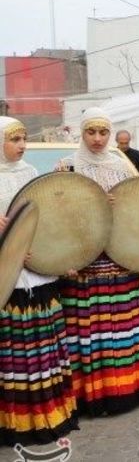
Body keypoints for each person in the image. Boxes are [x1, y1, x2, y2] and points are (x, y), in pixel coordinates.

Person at [58, 107, 139, 415]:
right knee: (87, 330)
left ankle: (126, 390)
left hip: (118, 258)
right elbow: (58, 218)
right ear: (82, 134)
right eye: (91, 132)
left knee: (121, 327)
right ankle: (92, 396)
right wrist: (91, 204)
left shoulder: (122, 166)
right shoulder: (67, 167)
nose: (98, 139)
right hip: (84, 260)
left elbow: (137, 209)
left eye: (103, 133)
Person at [0, 117, 78, 445]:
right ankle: (17, 422)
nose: (21, 145)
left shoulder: (32, 175)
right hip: (7, 281)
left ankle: (50, 415)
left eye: (23, 138)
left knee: (44, 351)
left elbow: (45, 220)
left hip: (39, 277)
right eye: (13, 139)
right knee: (13, 356)